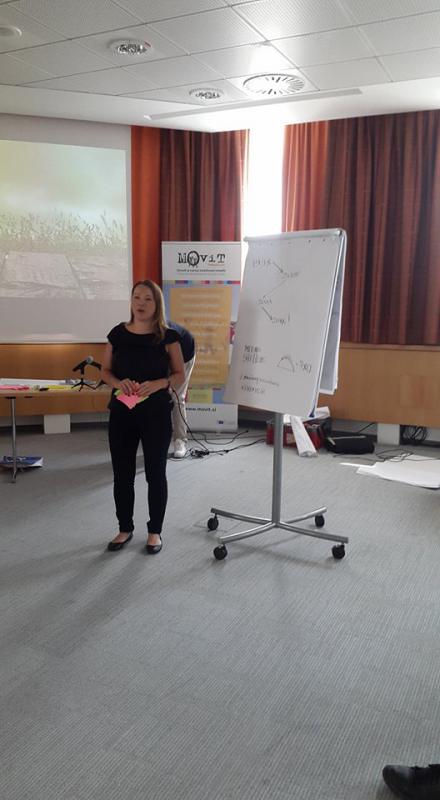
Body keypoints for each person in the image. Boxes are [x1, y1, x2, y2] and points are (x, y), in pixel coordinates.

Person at [101, 280, 185, 554]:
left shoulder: (168, 337)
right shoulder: (117, 334)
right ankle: (124, 528)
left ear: (157, 304)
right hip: (122, 412)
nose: (141, 303)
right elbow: (105, 371)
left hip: (155, 413)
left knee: (155, 473)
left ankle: (154, 531)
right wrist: (118, 383)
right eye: (136, 297)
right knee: (122, 473)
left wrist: (160, 383)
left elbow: (179, 375)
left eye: (148, 298)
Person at [166, 320, 196, 459]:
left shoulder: (167, 333)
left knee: (177, 397)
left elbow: (178, 373)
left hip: (185, 355)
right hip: (165, 358)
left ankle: (180, 440)